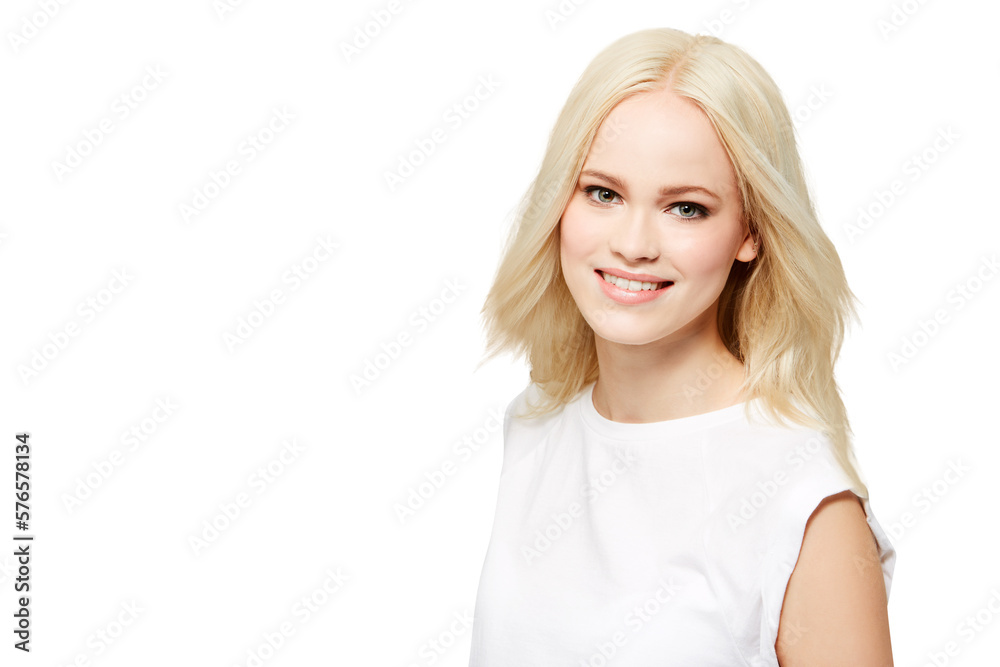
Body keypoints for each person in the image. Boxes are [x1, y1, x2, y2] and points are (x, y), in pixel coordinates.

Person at [468, 27, 896, 666]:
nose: (635, 243)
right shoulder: (537, 425)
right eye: (603, 193)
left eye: (687, 208)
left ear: (751, 232)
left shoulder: (806, 503)